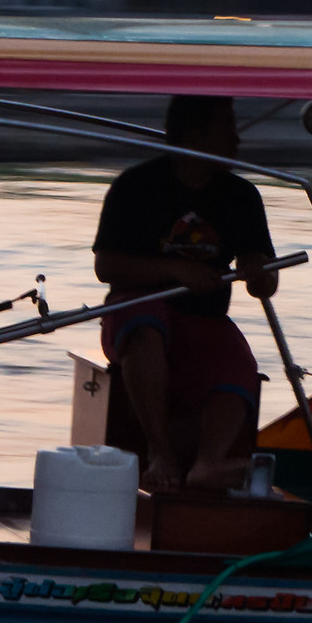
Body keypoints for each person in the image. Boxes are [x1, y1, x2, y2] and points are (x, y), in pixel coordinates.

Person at [93, 95, 279, 494]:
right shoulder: (136, 186)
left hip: (204, 317)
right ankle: (160, 452)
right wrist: (175, 269)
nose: (236, 140)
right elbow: (106, 267)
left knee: (237, 362)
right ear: (194, 136)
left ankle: (209, 464)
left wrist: (256, 271)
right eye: (226, 129)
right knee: (146, 325)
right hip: (135, 311)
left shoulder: (242, 196)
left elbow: (266, 286)